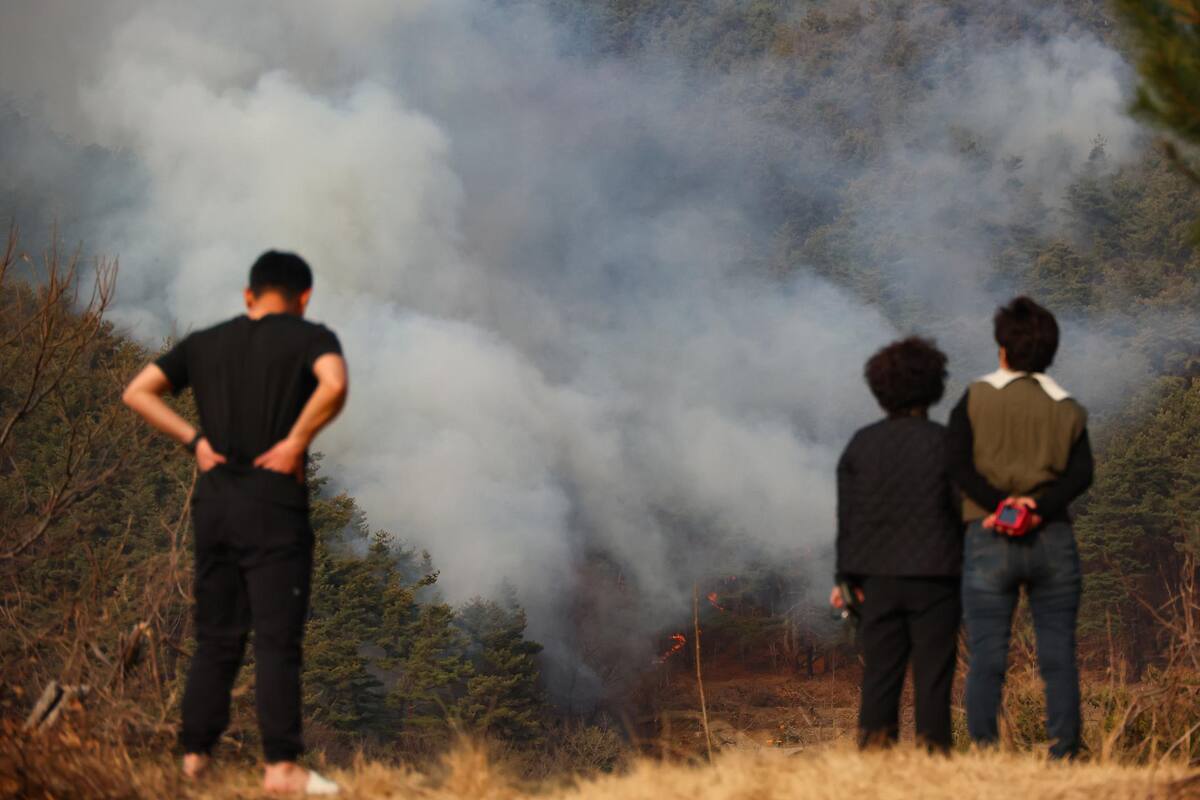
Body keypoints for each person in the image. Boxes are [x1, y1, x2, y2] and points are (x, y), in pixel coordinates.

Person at [122, 251, 348, 795]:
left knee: (215, 638)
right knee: (275, 640)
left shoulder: (206, 343)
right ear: (304, 298)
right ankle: (281, 769)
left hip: (215, 505)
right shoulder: (310, 337)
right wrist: (295, 442)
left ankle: (194, 762)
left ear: (248, 296)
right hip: (274, 505)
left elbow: (137, 391)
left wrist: (195, 442)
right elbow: (334, 385)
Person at [948, 296, 1093, 759]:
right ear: (1051, 352)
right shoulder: (1067, 406)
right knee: (1057, 654)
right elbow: (1081, 473)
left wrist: (999, 504)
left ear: (1001, 348)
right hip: (1052, 537)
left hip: (988, 536)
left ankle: (987, 754)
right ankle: (1066, 752)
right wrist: (1037, 506)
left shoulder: (974, 397)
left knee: (988, 655)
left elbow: (956, 464)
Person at [832, 336, 963, 752]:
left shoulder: (861, 445)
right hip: (937, 578)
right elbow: (964, 512)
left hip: (877, 579)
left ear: (879, 389)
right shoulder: (947, 443)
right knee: (933, 683)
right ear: (935, 386)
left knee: (879, 680)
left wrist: (845, 579)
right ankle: (934, 768)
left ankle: (874, 772)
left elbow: (848, 521)